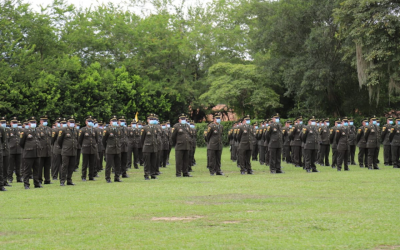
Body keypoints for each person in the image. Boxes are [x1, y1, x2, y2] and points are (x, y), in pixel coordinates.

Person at [19, 116, 42, 189]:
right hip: (28, 153)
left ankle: (36, 183)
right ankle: (26, 184)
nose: (33, 124)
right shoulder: (25, 132)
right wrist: (27, 149)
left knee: (36, 169)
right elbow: (21, 143)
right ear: (28, 124)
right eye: (32, 122)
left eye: (34, 122)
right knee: (27, 170)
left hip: (36, 153)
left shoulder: (38, 131)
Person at [58, 116, 79, 186]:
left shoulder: (76, 130)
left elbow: (77, 139)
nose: (72, 124)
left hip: (73, 151)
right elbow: (59, 140)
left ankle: (69, 180)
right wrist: (64, 147)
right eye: (71, 122)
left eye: (73, 122)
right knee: (64, 166)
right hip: (66, 151)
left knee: (71, 166)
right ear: (67, 123)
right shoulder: (63, 130)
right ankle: (62, 180)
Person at [102, 116, 123, 183]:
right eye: (113, 121)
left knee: (117, 164)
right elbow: (103, 141)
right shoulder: (107, 130)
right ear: (110, 122)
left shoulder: (118, 129)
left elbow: (120, 138)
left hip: (117, 149)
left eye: (115, 121)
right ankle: (108, 178)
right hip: (110, 149)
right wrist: (107, 147)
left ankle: (117, 177)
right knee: (109, 165)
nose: (114, 122)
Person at [78, 116, 98, 181]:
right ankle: (83, 176)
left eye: (91, 122)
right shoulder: (83, 130)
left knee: (92, 163)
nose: (90, 123)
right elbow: (79, 140)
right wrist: (83, 146)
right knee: (85, 164)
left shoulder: (94, 130)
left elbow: (96, 139)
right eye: (89, 121)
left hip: (92, 149)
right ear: (86, 122)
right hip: (86, 149)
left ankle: (91, 176)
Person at [140, 114, 159, 180]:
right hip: (147, 148)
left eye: (153, 119)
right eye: (150, 119)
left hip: (154, 147)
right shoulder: (144, 128)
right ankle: (146, 175)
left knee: (153, 162)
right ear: (148, 120)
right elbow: (142, 139)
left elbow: (156, 137)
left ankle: (153, 174)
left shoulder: (155, 128)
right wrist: (144, 146)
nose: (152, 121)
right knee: (147, 162)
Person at [37, 115, 53, 185]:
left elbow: (51, 139)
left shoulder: (49, 129)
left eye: (46, 121)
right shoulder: (37, 129)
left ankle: (47, 179)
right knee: (40, 166)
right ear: (40, 121)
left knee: (47, 166)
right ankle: (39, 179)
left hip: (48, 150)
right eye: (44, 121)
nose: (45, 122)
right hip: (41, 150)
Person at [8, 117, 22, 183]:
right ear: (11, 123)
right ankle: (10, 178)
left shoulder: (20, 130)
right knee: (10, 165)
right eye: (13, 123)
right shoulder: (8, 130)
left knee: (18, 165)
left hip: (19, 149)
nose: (15, 124)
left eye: (16, 123)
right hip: (11, 150)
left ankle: (19, 178)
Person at [0, 116, 11, 187]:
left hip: (5, 149)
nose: (3, 123)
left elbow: (5, 140)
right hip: (1, 150)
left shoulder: (6, 130)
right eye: (2, 122)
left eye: (4, 122)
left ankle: (4, 181)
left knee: (5, 167)